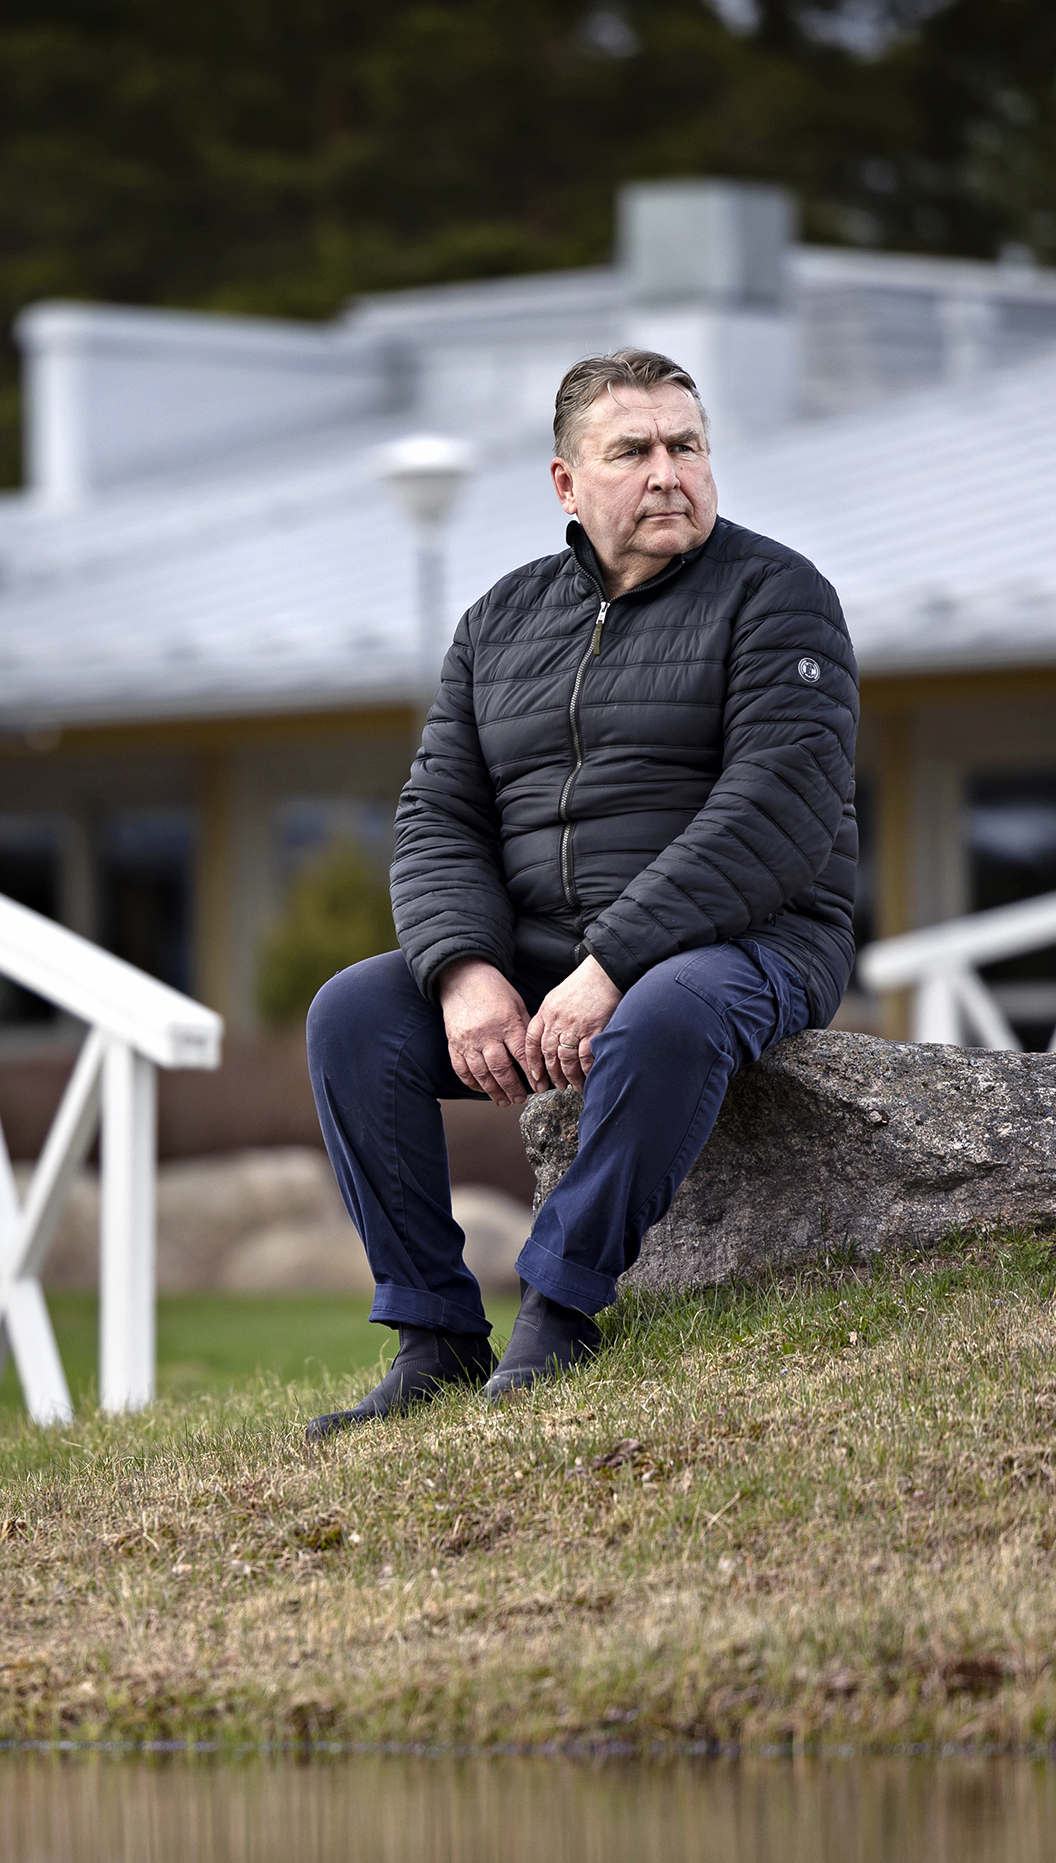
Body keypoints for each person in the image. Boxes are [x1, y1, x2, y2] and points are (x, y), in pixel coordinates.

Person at [303, 348, 859, 1438]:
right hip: (540, 947)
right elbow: (436, 816)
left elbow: (774, 811)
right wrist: (465, 972)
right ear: (567, 482)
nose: (668, 473)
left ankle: (559, 1308)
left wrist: (606, 968)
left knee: (671, 1008)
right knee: (355, 1015)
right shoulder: (498, 624)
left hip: (753, 938)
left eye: (686, 446)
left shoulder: (781, 598)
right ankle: (434, 1335)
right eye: (633, 451)